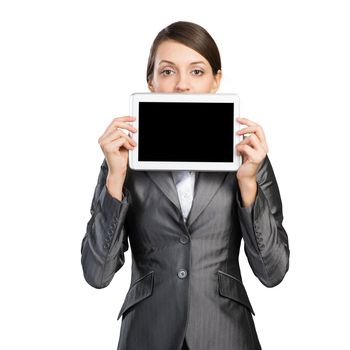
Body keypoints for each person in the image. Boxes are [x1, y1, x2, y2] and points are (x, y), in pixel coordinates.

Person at [81, 21, 290, 350]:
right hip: (147, 333)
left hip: (225, 333)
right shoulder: (124, 160)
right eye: (167, 72)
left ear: (216, 80)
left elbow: (272, 271)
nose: (182, 85)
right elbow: (97, 274)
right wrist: (115, 177)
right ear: (150, 82)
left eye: (196, 71)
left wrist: (248, 183)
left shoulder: (246, 157)